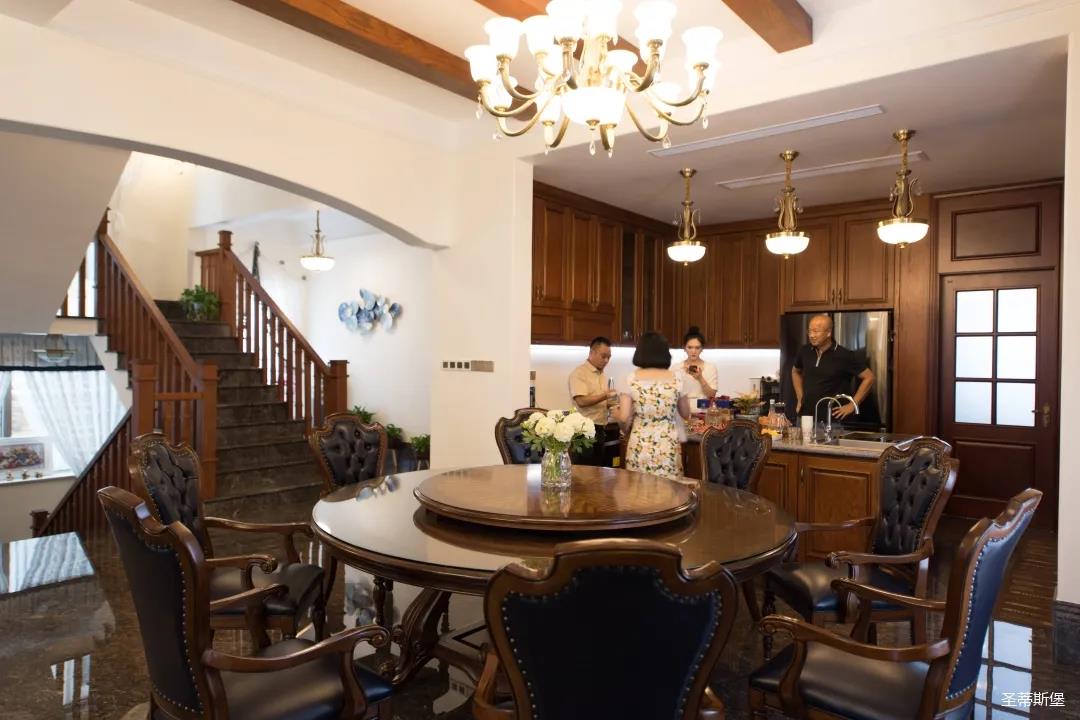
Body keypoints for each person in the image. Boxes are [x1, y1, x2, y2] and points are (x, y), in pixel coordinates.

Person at [613, 332, 690, 479]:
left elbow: (624, 418)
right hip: (667, 446)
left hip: (640, 446)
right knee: (669, 489)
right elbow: (686, 413)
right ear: (665, 353)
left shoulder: (630, 379)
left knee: (639, 489)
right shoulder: (678, 378)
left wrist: (616, 413)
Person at [792, 314, 875, 420]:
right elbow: (795, 371)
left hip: (833, 419)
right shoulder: (804, 351)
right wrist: (800, 398)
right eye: (809, 331)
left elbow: (869, 377)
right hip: (805, 416)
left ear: (828, 333)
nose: (811, 335)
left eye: (816, 331)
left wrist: (852, 405)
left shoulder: (844, 355)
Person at [569, 337, 617, 466]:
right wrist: (605, 395)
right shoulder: (579, 373)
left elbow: (602, 402)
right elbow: (581, 401)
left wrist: (613, 402)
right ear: (591, 352)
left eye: (609, 357)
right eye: (603, 356)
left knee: (598, 470)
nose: (606, 360)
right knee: (584, 471)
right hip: (583, 431)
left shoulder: (602, 375)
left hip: (600, 429)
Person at [677, 326, 719, 411]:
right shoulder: (677, 368)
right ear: (684, 348)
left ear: (702, 349)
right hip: (681, 410)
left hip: (702, 411)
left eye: (697, 348)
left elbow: (712, 395)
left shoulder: (710, 368)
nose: (693, 351)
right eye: (690, 347)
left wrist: (700, 378)